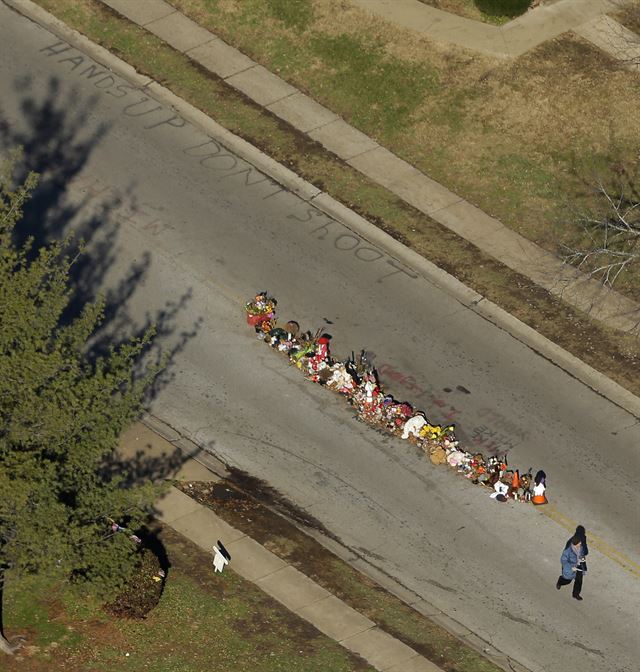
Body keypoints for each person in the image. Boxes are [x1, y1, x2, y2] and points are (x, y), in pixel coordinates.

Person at [556, 526, 588, 600]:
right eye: (579, 545)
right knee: (567, 580)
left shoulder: (581, 542)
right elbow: (563, 561)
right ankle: (560, 581)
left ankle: (575, 594)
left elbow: (584, 553)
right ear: (574, 545)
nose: (580, 545)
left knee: (579, 580)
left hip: (579, 565)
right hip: (570, 567)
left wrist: (583, 566)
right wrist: (571, 568)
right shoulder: (568, 549)